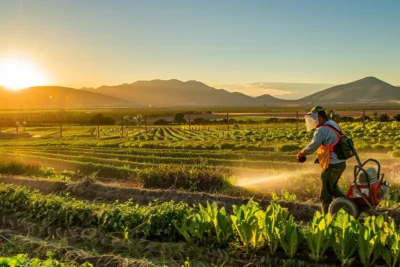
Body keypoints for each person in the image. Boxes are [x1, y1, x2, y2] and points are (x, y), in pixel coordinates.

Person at [296, 106, 346, 214]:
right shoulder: (332, 124)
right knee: (333, 187)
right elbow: (330, 144)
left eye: (314, 118)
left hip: (331, 165)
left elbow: (313, 146)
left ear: (319, 117)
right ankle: (350, 205)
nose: (313, 122)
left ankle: (326, 216)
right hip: (340, 163)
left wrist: (301, 154)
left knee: (325, 194)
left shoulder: (321, 130)